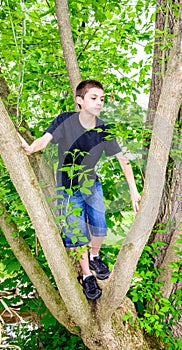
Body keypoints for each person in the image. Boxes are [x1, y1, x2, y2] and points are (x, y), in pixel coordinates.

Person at [21, 79, 141, 301]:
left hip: (91, 183)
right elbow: (44, 141)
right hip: (67, 188)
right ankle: (87, 276)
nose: (99, 103)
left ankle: (95, 255)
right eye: (94, 98)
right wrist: (30, 148)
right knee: (76, 233)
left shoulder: (104, 128)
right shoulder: (65, 121)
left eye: (102, 99)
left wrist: (134, 190)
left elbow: (123, 160)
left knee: (99, 226)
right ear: (80, 100)